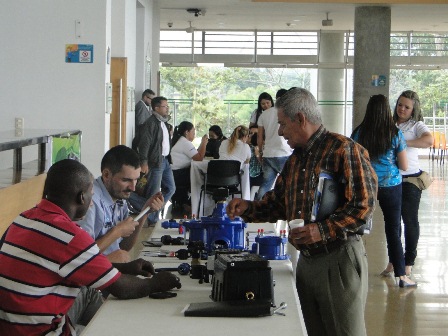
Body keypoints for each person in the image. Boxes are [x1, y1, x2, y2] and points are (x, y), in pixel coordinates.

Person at [226, 88, 377, 336]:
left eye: (283, 124)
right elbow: (279, 203)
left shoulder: (344, 150)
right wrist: (249, 208)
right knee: (310, 329)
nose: (281, 132)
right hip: (308, 260)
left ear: (301, 119)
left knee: (344, 331)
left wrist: (321, 230)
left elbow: (363, 206)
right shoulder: (296, 159)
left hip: (339, 259)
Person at [0, 159, 181, 335]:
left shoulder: (23, 219)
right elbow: (122, 288)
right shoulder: (69, 235)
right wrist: (157, 282)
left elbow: (71, 264)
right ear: (81, 197)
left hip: (12, 326)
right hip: (41, 331)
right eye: (91, 196)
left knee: (88, 291)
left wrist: (125, 268)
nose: (91, 203)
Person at [352, 94, 415, 288]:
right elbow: (404, 165)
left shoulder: (359, 132)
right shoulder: (394, 133)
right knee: (393, 229)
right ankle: (402, 276)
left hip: (366, 185)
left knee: (356, 227)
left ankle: (353, 271)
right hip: (391, 186)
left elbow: (354, 160)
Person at [78, 145, 163, 263]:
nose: (133, 188)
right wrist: (117, 232)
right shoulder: (89, 202)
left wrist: (145, 212)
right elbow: (81, 256)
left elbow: (124, 247)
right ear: (106, 175)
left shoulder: (119, 197)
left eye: (136, 179)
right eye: (126, 180)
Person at [393, 90, 433, 277]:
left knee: (409, 221)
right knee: (392, 224)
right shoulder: (390, 124)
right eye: (400, 104)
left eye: (407, 107)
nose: (402, 109)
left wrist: (402, 141)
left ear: (413, 109)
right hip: (391, 179)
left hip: (411, 180)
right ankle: (394, 260)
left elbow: (428, 141)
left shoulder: (416, 125)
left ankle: (408, 262)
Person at [130, 96, 176, 225]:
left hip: (165, 160)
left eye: (167, 106)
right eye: (164, 106)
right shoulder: (150, 123)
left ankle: (151, 212)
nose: (167, 109)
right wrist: (144, 162)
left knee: (171, 188)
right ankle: (152, 217)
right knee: (153, 194)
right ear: (156, 108)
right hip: (155, 162)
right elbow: (144, 144)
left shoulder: (164, 122)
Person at [255, 88, 292, 200]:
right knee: (289, 182)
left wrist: (261, 152)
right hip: (283, 152)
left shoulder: (264, 114)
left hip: (268, 154)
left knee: (266, 184)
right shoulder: (287, 112)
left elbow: (259, 136)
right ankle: (287, 206)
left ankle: (258, 208)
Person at [170, 121, 208, 211]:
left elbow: (196, 154)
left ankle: (187, 202)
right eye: (193, 132)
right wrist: (204, 143)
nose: (194, 135)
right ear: (187, 132)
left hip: (176, 173)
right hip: (179, 174)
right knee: (202, 179)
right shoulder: (184, 142)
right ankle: (190, 203)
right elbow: (199, 158)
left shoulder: (180, 140)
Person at [247, 126, 263, 200]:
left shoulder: (263, 147)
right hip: (247, 174)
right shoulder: (246, 147)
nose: (252, 135)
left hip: (258, 174)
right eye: (250, 133)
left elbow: (264, 164)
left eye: (255, 133)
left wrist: (258, 154)